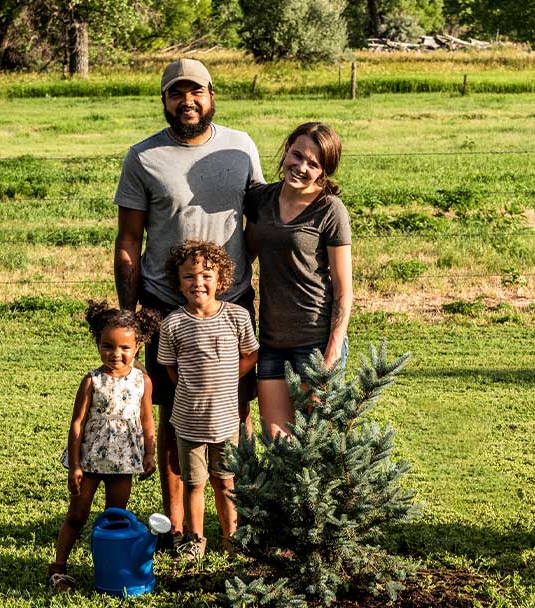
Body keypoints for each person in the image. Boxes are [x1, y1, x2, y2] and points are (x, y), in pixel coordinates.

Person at [114, 57, 264, 543]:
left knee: (235, 411)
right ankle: (179, 529)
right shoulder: (143, 157)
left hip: (232, 303)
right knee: (177, 414)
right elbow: (128, 242)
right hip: (163, 305)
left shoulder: (240, 148)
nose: (187, 102)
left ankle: (234, 525)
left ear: (211, 93)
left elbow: (260, 222)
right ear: (164, 100)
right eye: (177, 94)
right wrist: (132, 317)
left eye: (195, 92)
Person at [245, 122, 353, 439]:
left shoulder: (330, 210)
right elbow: (246, 251)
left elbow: (344, 291)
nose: (301, 167)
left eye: (313, 164)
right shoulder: (262, 200)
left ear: (324, 171)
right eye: (297, 155)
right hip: (272, 341)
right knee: (276, 438)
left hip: (315, 341)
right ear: (288, 147)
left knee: (316, 441)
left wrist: (331, 353)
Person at [156, 241, 259, 559]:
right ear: (178, 282)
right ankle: (194, 540)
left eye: (206, 275)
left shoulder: (237, 317)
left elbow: (251, 354)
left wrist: (229, 378)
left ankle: (232, 539)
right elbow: (170, 367)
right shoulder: (172, 323)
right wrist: (191, 386)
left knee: (225, 483)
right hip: (188, 422)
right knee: (194, 484)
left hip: (227, 421)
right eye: (188, 276)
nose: (197, 282)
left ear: (221, 279)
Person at [49, 301, 161, 592]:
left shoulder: (142, 380)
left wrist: (150, 454)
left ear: (138, 346)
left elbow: (147, 420)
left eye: (125, 347)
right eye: (107, 346)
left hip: (123, 462)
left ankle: (109, 570)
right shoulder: (92, 381)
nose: (116, 354)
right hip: (89, 461)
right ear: (98, 343)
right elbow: (77, 425)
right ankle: (59, 567)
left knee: (115, 519)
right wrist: (74, 465)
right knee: (77, 515)